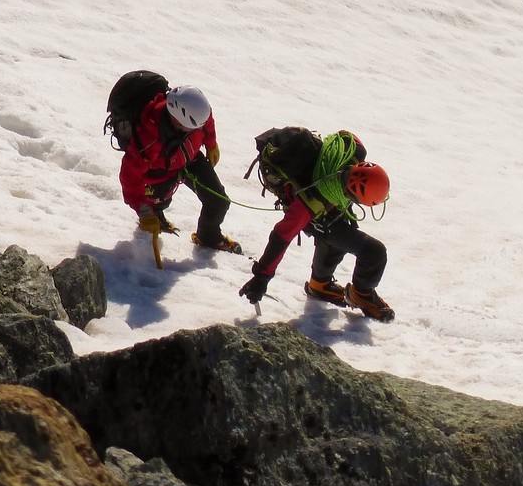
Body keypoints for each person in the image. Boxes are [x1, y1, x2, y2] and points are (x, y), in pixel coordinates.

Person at [239, 130, 394, 321]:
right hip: (316, 215)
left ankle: (319, 285)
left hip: (325, 211)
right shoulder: (310, 202)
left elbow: (345, 136)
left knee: (337, 228)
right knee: (373, 252)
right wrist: (261, 277)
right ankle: (361, 295)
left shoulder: (353, 154)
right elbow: (281, 235)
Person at [119, 85, 240, 252]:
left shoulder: (194, 111)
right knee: (160, 201)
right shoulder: (148, 139)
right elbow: (130, 177)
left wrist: (211, 143)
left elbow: (206, 119)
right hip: (159, 171)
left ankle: (209, 236)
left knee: (218, 200)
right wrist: (145, 212)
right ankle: (156, 217)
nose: (198, 130)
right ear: (177, 121)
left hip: (188, 157)